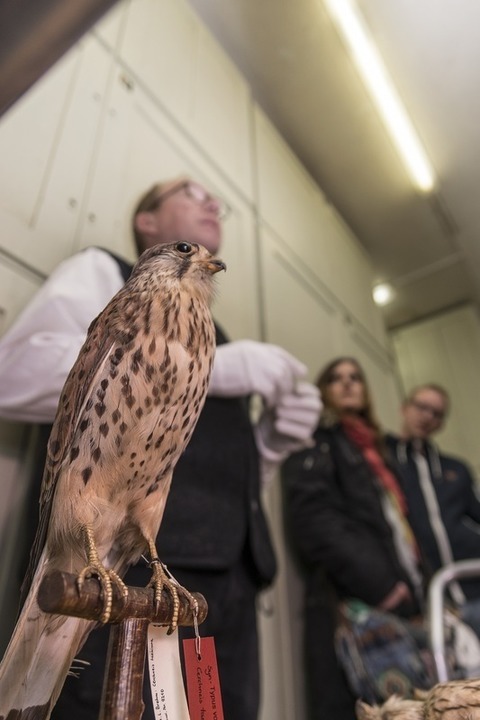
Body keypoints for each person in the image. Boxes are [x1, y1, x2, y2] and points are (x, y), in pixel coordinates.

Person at [0, 176, 322, 720]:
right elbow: (15, 375)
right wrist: (216, 367)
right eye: (193, 196)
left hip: (212, 584)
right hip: (103, 570)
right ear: (148, 224)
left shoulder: (206, 322)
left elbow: (219, 463)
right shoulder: (101, 272)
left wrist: (272, 441)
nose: (213, 204)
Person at [282, 357, 425, 720]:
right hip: (352, 603)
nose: (347, 383)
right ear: (323, 390)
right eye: (335, 378)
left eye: (355, 377)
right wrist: (383, 585)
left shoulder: (379, 453)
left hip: (404, 602)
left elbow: (399, 527)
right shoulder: (316, 439)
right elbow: (314, 520)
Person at [386, 383, 480, 637]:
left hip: (474, 590)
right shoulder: (385, 460)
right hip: (428, 602)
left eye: (437, 413)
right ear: (405, 408)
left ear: (441, 424)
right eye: (422, 407)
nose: (428, 416)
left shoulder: (456, 469)